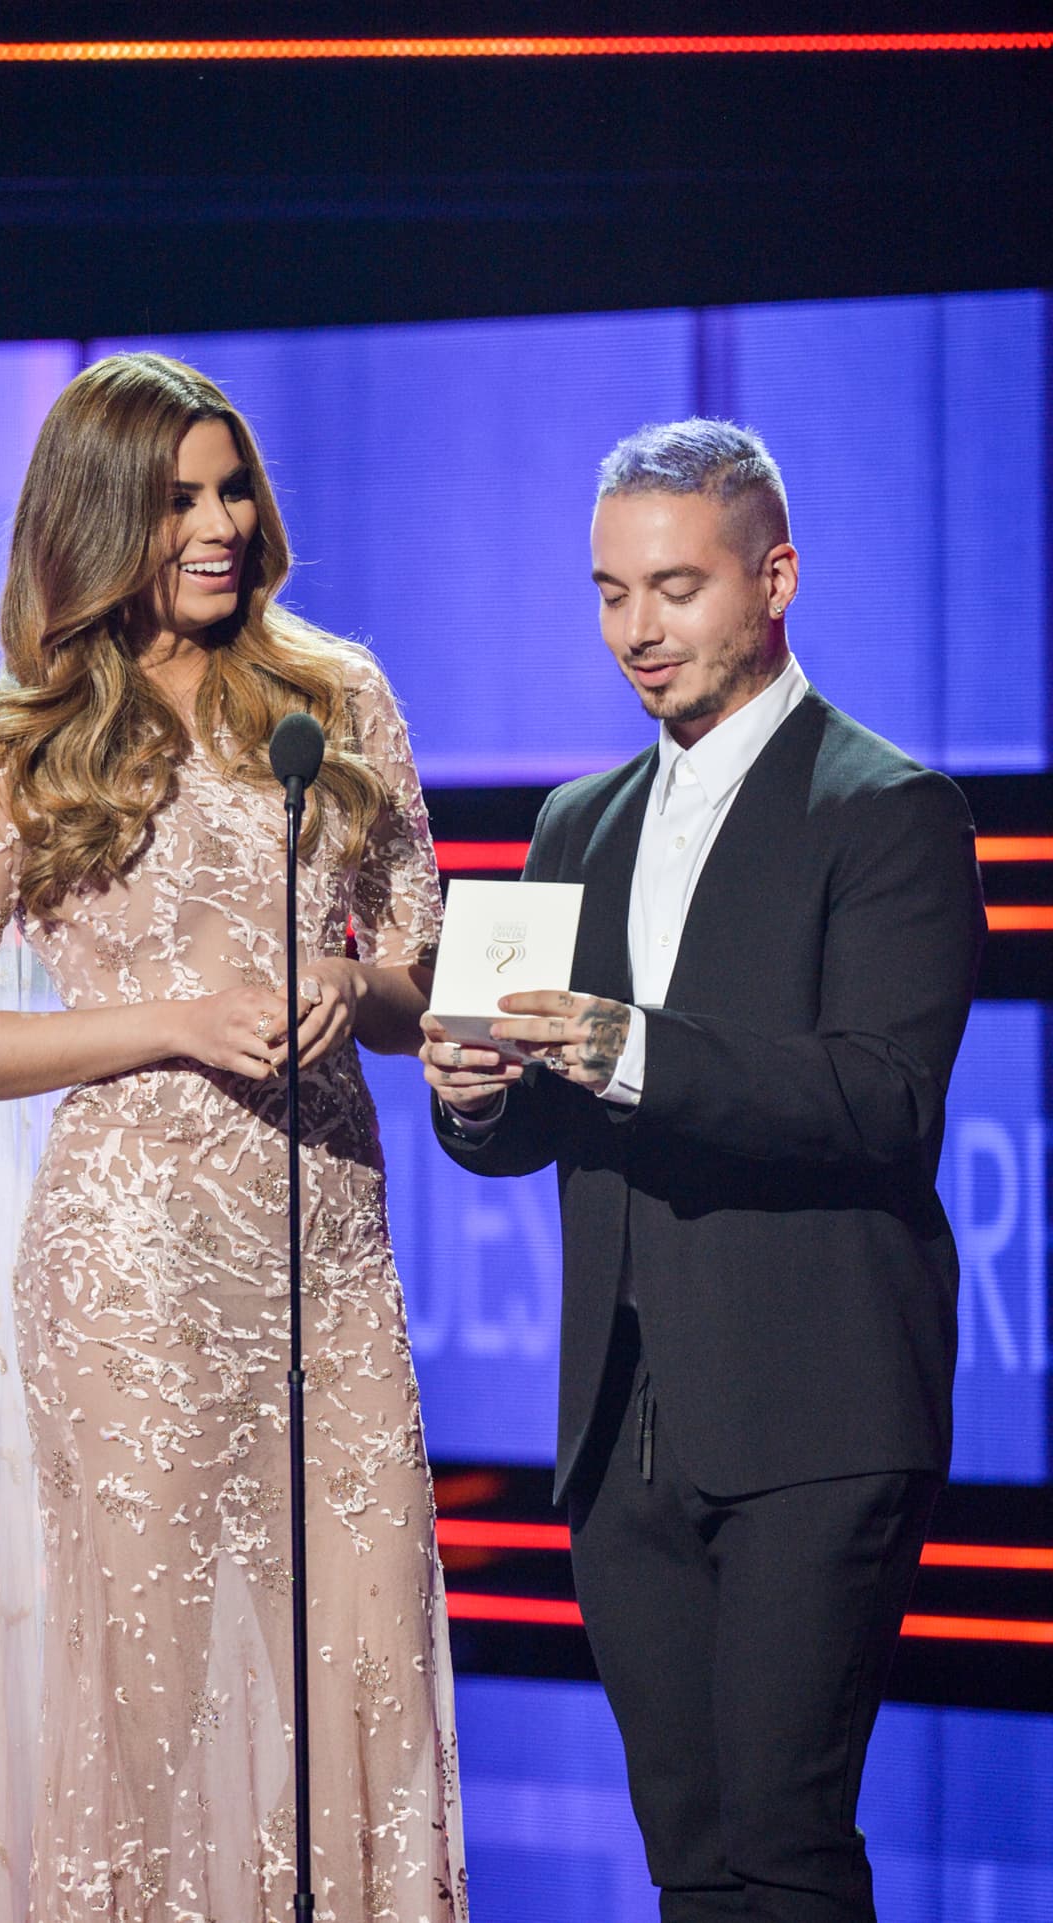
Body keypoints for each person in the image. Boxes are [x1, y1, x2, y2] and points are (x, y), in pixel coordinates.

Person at [0, 352, 466, 1923]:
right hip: (134, 1285)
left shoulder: (336, 697)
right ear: (100, 520)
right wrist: (175, 1019)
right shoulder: (7, 753)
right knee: (160, 1694)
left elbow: (427, 979)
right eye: (178, 498)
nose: (218, 524)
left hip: (327, 1254)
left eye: (232, 487)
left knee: (367, 1659)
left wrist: (354, 983)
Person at [422, 419, 984, 1922]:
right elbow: (526, 1123)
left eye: (674, 589)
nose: (637, 631)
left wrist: (631, 1047)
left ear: (775, 577)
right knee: (690, 1860)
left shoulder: (889, 811)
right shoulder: (573, 824)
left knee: (785, 1843)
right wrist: (475, 1096)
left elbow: (881, 1100)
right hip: (623, 1426)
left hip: (818, 1405)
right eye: (610, 594)